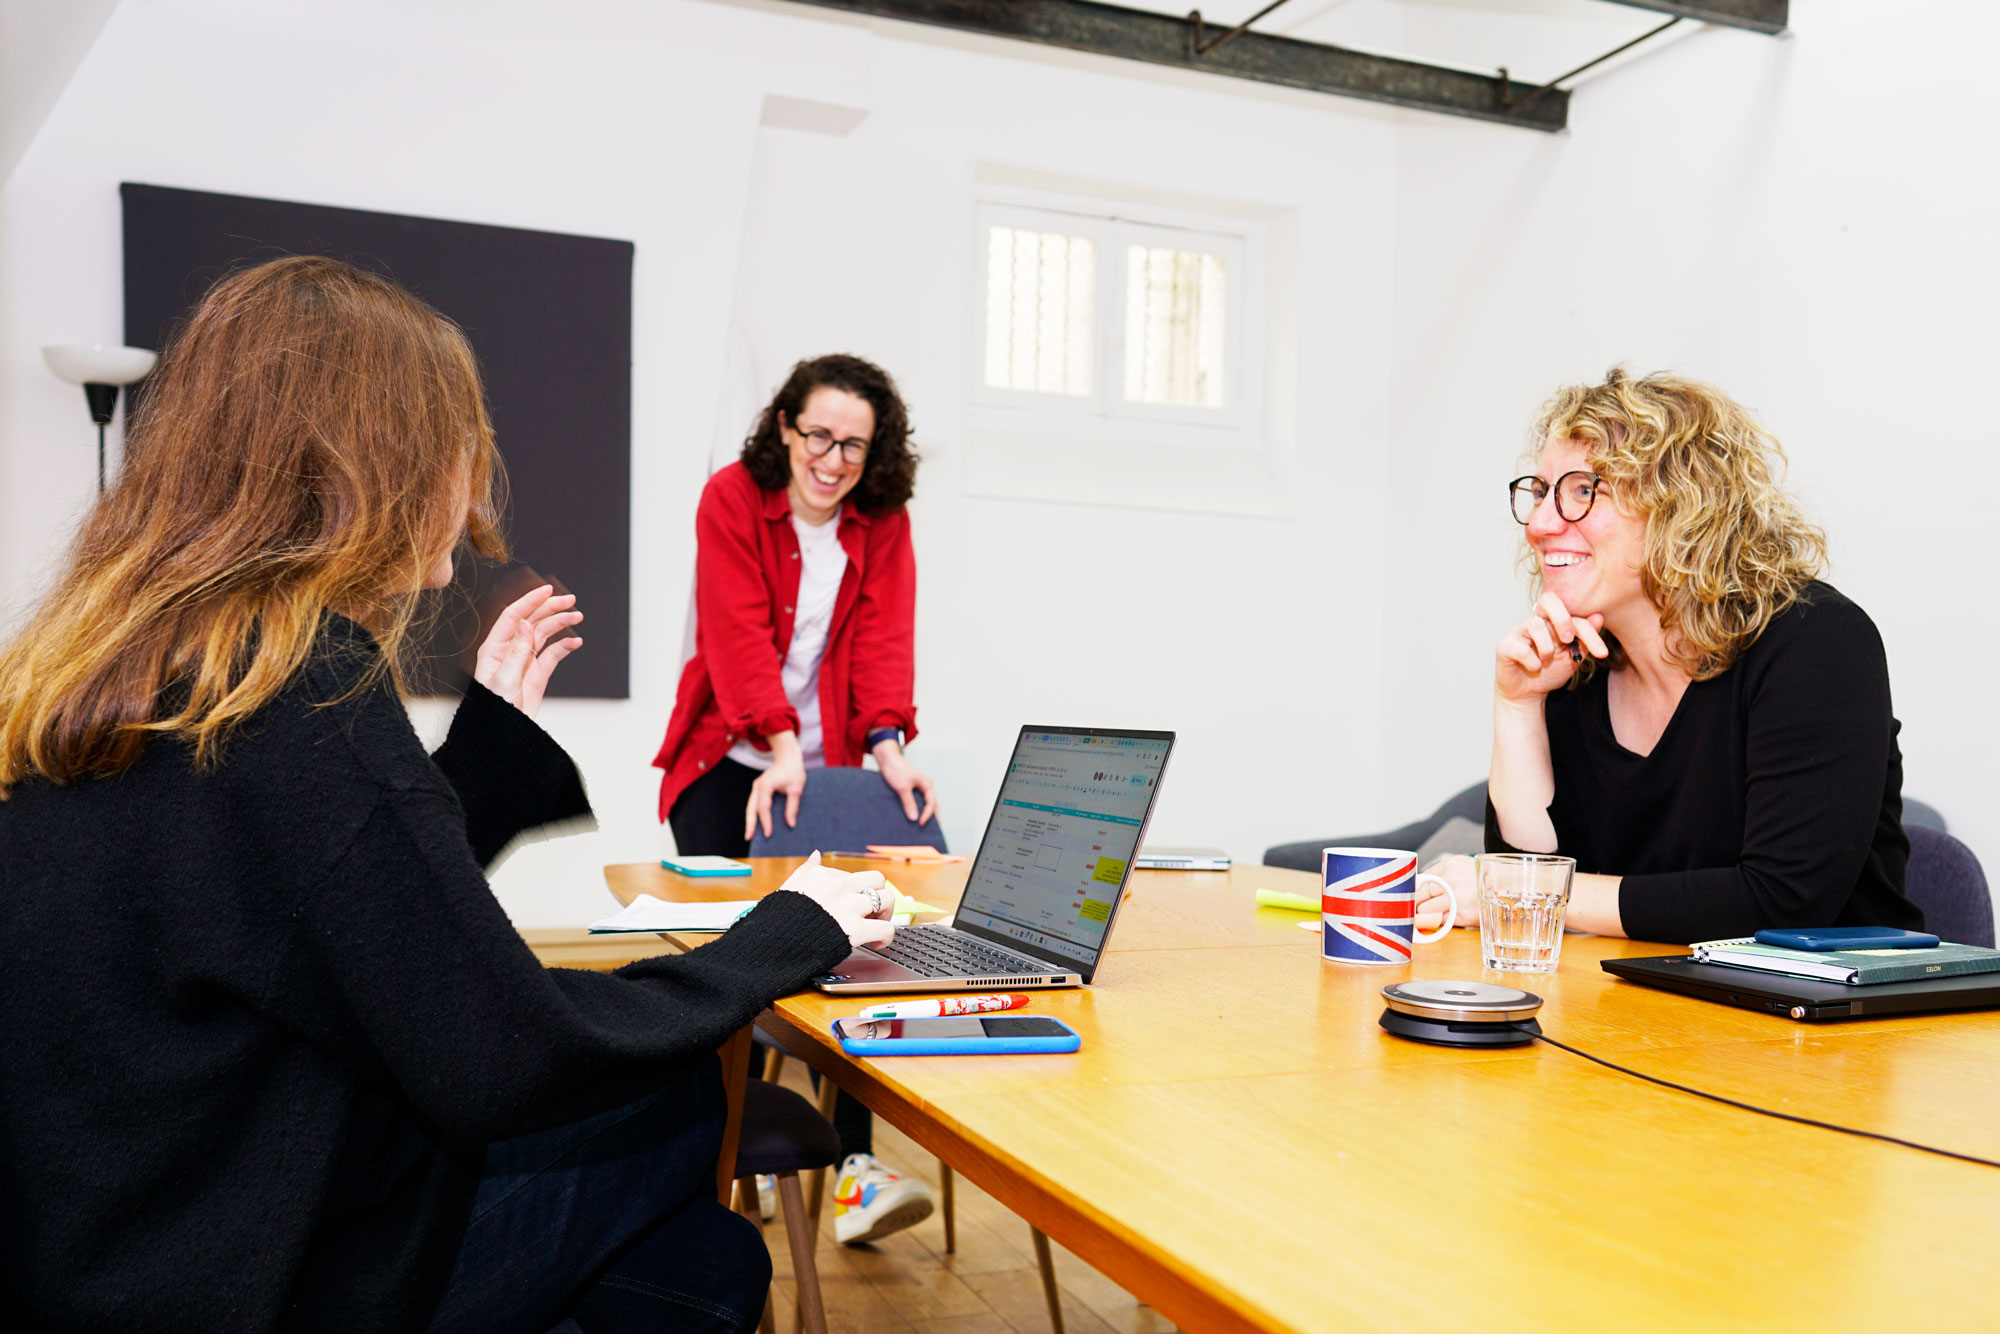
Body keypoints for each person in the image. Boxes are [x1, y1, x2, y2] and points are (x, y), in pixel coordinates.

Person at [0, 256, 898, 1333]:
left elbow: (325, 912)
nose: (473, 494)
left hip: (121, 1236)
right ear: (382, 464)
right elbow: (509, 1051)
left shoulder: (138, 664)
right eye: (461, 447)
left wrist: (486, 750)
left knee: (703, 1259)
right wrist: (789, 929)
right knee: (681, 1108)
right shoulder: (305, 688)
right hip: (254, 1267)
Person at [1415, 368, 1923, 945]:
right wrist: (1519, 704)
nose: (1538, 524)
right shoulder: (1577, 664)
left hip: (1830, 999)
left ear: (1681, 506)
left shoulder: (1817, 641)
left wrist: (1521, 889)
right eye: (1539, 492)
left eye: (1581, 491)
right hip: (1643, 994)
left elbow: (1781, 901)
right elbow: (1526, 907)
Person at [651, 354, 937, 1245]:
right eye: (818, 434)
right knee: (737, 955)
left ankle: (856, 1168)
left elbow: (886, 640)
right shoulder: (732, 498)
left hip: (833, 767)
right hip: (730, 758)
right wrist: (778, 749)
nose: (832, 459)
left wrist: (888, 752)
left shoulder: (881, 521)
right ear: (784, 427)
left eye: (854, 445)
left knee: (860, 947)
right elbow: (735, 634)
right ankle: (736, 1142)